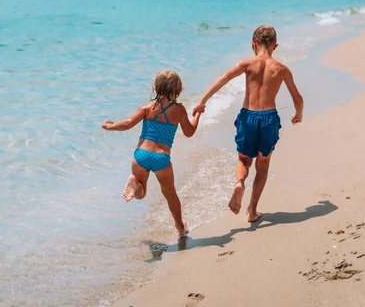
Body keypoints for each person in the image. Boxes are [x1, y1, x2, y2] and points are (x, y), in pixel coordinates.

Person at [192, 25, 303, 223]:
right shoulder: (281, 69)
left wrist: (202, 102)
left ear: (253, 44)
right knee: (263, 164)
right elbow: (298, 98)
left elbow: (222, 79)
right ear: (275, 46)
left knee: (244, 160)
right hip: (269, 118)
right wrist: (298, 114)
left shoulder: (246, 64)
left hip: (248, 116)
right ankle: (252, 210)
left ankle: (239, 184)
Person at [102, 70, 203, 237]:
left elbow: (127, 124)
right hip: (161, 158)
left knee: (141, 194)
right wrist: (198, 113)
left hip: (141, 155)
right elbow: (189, 132)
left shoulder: (147, 107)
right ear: (178, 89)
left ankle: (135, 184)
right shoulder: (179, 110)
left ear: (155, 87)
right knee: (170, 193)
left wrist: (109, 126)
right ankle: (180, 228)